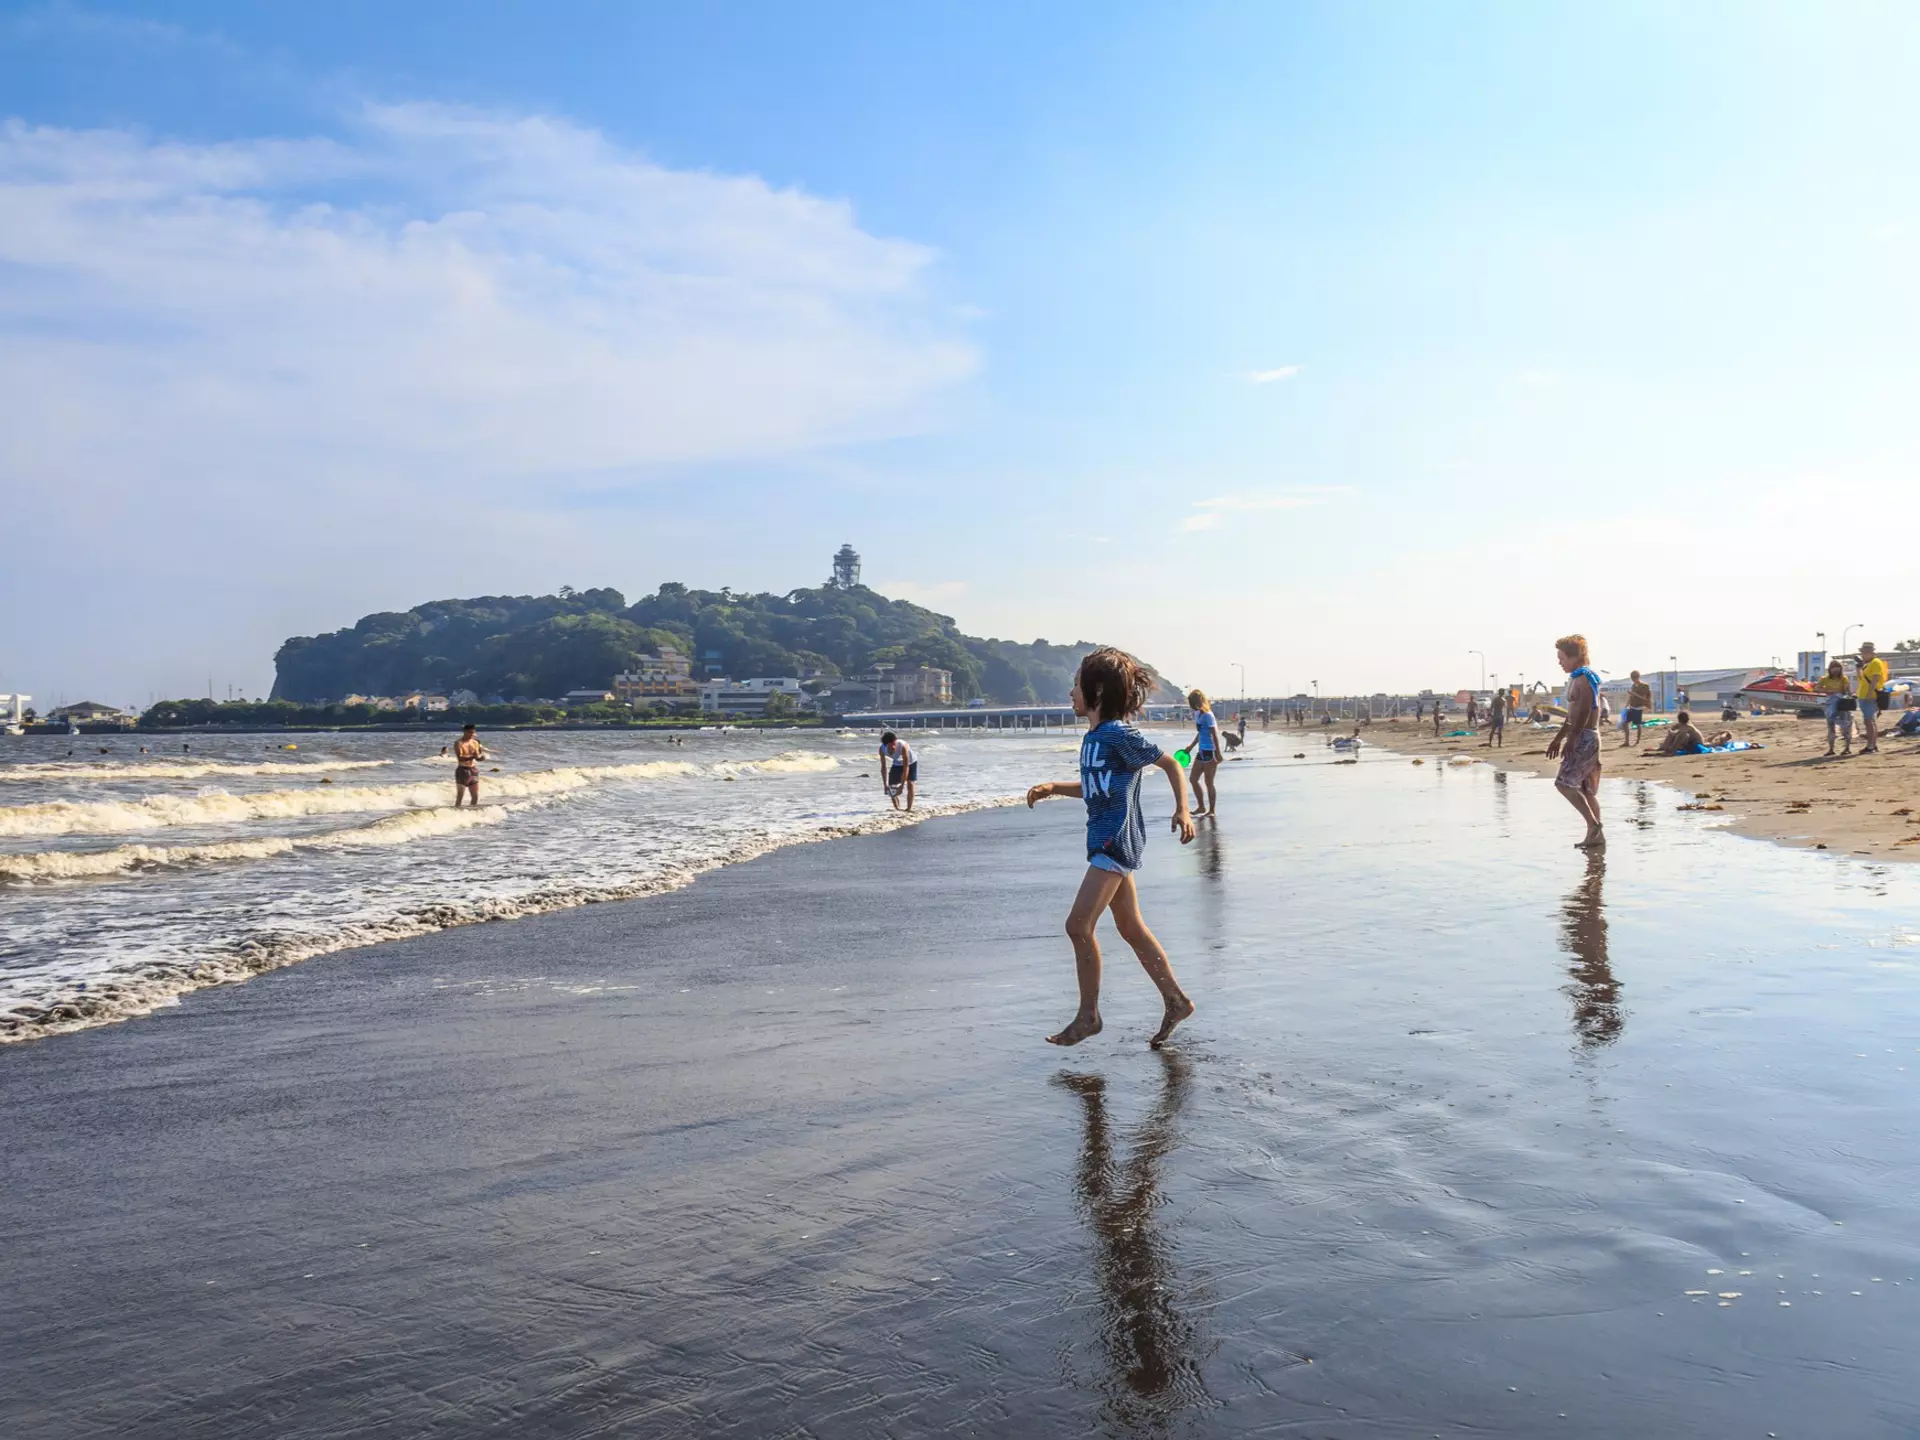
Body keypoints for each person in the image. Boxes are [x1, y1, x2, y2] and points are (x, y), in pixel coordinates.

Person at [1026, 647, 1197, 1048]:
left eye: (1076, 686)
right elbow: (1096, 787)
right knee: (1130, 927)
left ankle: (1089, 1016)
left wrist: (1183, 811)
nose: (1071, 693)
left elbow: (1171, 763)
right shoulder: (1095, 737)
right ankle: (1176, 1000)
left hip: (1113, 841)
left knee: (1078, 925)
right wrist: (1054, 787)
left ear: (1096, 691)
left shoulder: (1119, 734)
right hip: (1106, 840)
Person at [1545, 634, 1605, 850]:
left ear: (1574, 657)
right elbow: (1571, 716)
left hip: (1585, 737)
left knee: (1563, 784)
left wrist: (1571, 739)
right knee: (1585, 788)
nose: (1559, 662)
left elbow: (1583, 712)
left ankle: (1594, 826)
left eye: (1562, 658)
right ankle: (1595, 836)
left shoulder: (1583, 680)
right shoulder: (1579, 677)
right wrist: (1557, 739)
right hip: (1586, 735)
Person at [1185, 689, 1221, 817]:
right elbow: (1201, 733)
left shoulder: (1208, 715)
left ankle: (1212, 810)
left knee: (1208, 782)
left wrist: (1218, 753)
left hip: (1210, 751)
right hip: (1201, 750)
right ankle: (1201, 807)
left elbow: (1214, 734)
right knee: (1193, 779)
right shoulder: (1198, 714)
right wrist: (1191, 746)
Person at [1814, 658, 1854, 757]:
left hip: (1842, 705)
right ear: (1830, 669)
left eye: (1837, 668)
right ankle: (1831, 749)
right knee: (1831, 727)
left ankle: (1847, 748)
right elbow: (1816, 688)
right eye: (1833, 668)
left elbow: (1848, 692)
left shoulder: (1844, 678)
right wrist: (1828, 690)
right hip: (1830, 704)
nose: (1835, 670)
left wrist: (1845, 691)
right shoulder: (1825, 679)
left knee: (1845, 727)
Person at [1856, 641, 1888, 756]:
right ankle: (1872, 745)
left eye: (1863, 652)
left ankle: (1871, 746)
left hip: (1869, 695)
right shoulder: (1867, 664)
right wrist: (1859, 667)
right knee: (1869, 721)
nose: (1862, 654)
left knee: (1869, 721)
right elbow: (1861, 678)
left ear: (1870, 652)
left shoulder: (1875, 662)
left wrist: (1870, 693)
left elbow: (1875, 679)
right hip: (1863, 695)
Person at [878, 730, 917, 811]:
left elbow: (906, 767)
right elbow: (883, 767)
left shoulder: (903, 746)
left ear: (895, 742)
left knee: (910, 783)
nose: (893, 749)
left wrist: (902, 786)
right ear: (886, 745)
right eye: (890, 748)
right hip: (897, 763)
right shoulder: (882, 749)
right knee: (891, 786)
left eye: (894, 746)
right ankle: (897, 808)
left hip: (911, 762)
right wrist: (885, 785)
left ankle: (908, 809)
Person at [452, 724, 486, 807]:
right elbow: (460, 758)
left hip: (473, 770)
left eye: (473, 732)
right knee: (460, 796)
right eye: (469, 732)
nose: (471, 734)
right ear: (464, 732)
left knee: (475, 796)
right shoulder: (458, 743)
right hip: (462, 770)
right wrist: (473, 756)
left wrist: (481, 758)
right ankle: (457, 812)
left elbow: (477, 757)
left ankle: (472, 812)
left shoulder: (475, 742)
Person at [1620, 670, 1650, 748]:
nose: (1633, 680)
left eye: (1634, 678)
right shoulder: (1633, 686)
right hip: (1632, 706)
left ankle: (1637, 740)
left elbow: (1645, 698)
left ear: (1638, 677)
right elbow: (1631, 696)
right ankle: (1627, 742)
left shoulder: (1644, 686)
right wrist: (1627, 705)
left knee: (1638, 724)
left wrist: (1635, 694)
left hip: (1639, 707)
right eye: (1632, 678)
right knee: (1625, 723)